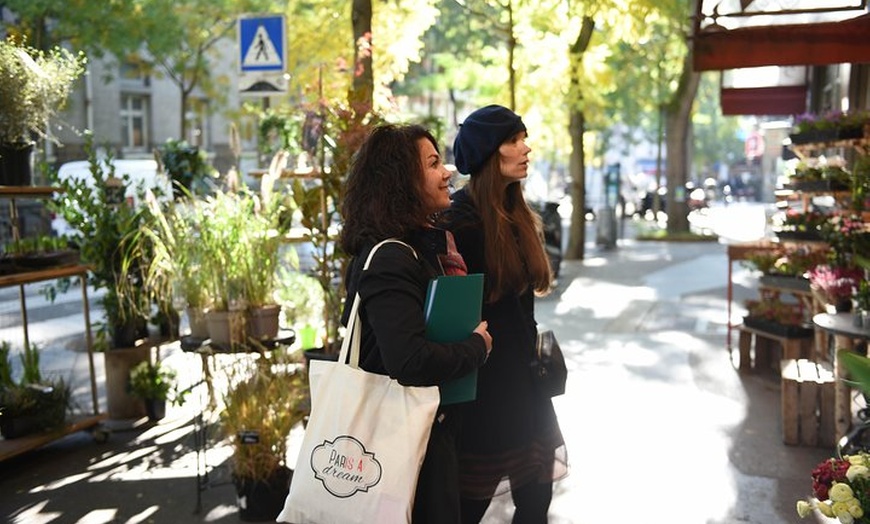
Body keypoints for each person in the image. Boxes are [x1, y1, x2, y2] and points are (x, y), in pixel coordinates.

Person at [339, 123, 493, 523]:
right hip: (397, 442)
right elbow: (408, 360)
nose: (447, 173)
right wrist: (476, 348)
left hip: (411, 438)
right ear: (400, 181)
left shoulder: (407, 248)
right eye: (432, 163)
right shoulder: (391, 257)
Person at [443, 105, 568, 524]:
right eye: (513, 140)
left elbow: (523, 309)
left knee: (536, 499)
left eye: (523, 138)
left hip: (526, 384)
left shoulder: (516, 212)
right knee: (469, 505)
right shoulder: (460, 222)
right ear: (487, 154)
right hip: (485, 392)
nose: (526, 148)